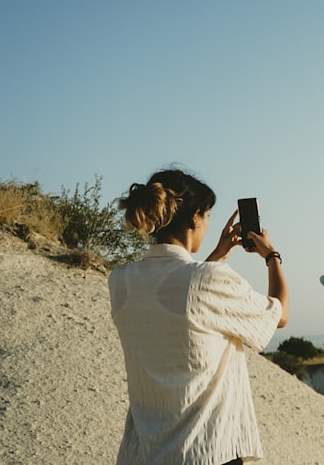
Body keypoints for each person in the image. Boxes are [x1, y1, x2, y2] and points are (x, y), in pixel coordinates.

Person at [107, 168, 289, 465]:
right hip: (206, 452)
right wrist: (272, 256)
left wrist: (216, 255)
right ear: (195, 217)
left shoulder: (119, 281)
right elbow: (278, 314)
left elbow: (180, 303)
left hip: (142, 454)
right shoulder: (207, 280)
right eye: (207, 216)